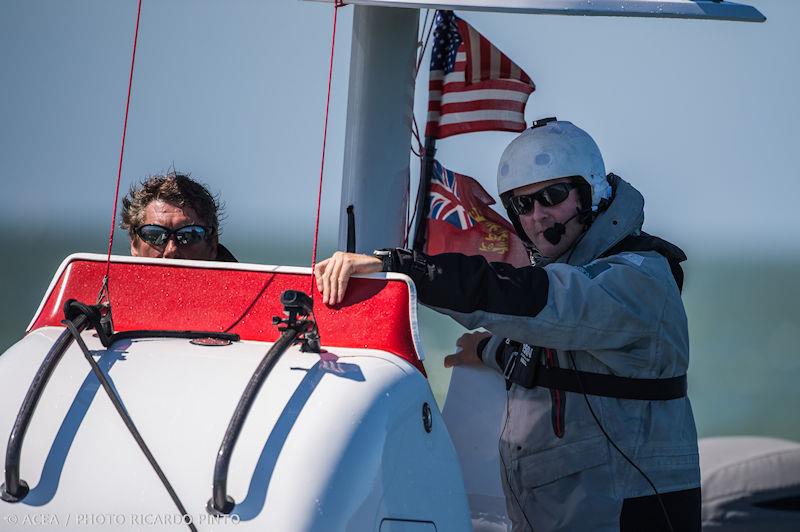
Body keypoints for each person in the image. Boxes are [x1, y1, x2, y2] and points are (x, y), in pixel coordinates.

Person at [314, 119, 701, 531]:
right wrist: (485, 350)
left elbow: (543, 302)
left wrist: (405, 268)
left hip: (628, 512)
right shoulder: (574, 279)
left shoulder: (637, 280)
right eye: (521, 205)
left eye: (551, 196)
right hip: (562, 512)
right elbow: (556, 348)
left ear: (591, 192)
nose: (537, 216)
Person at [120, 171, 237, 262]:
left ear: (212, 246)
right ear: (134, 245)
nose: (171, 251)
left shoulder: (247, 292)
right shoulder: (108, 291)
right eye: (155, 235)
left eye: (188, 236)